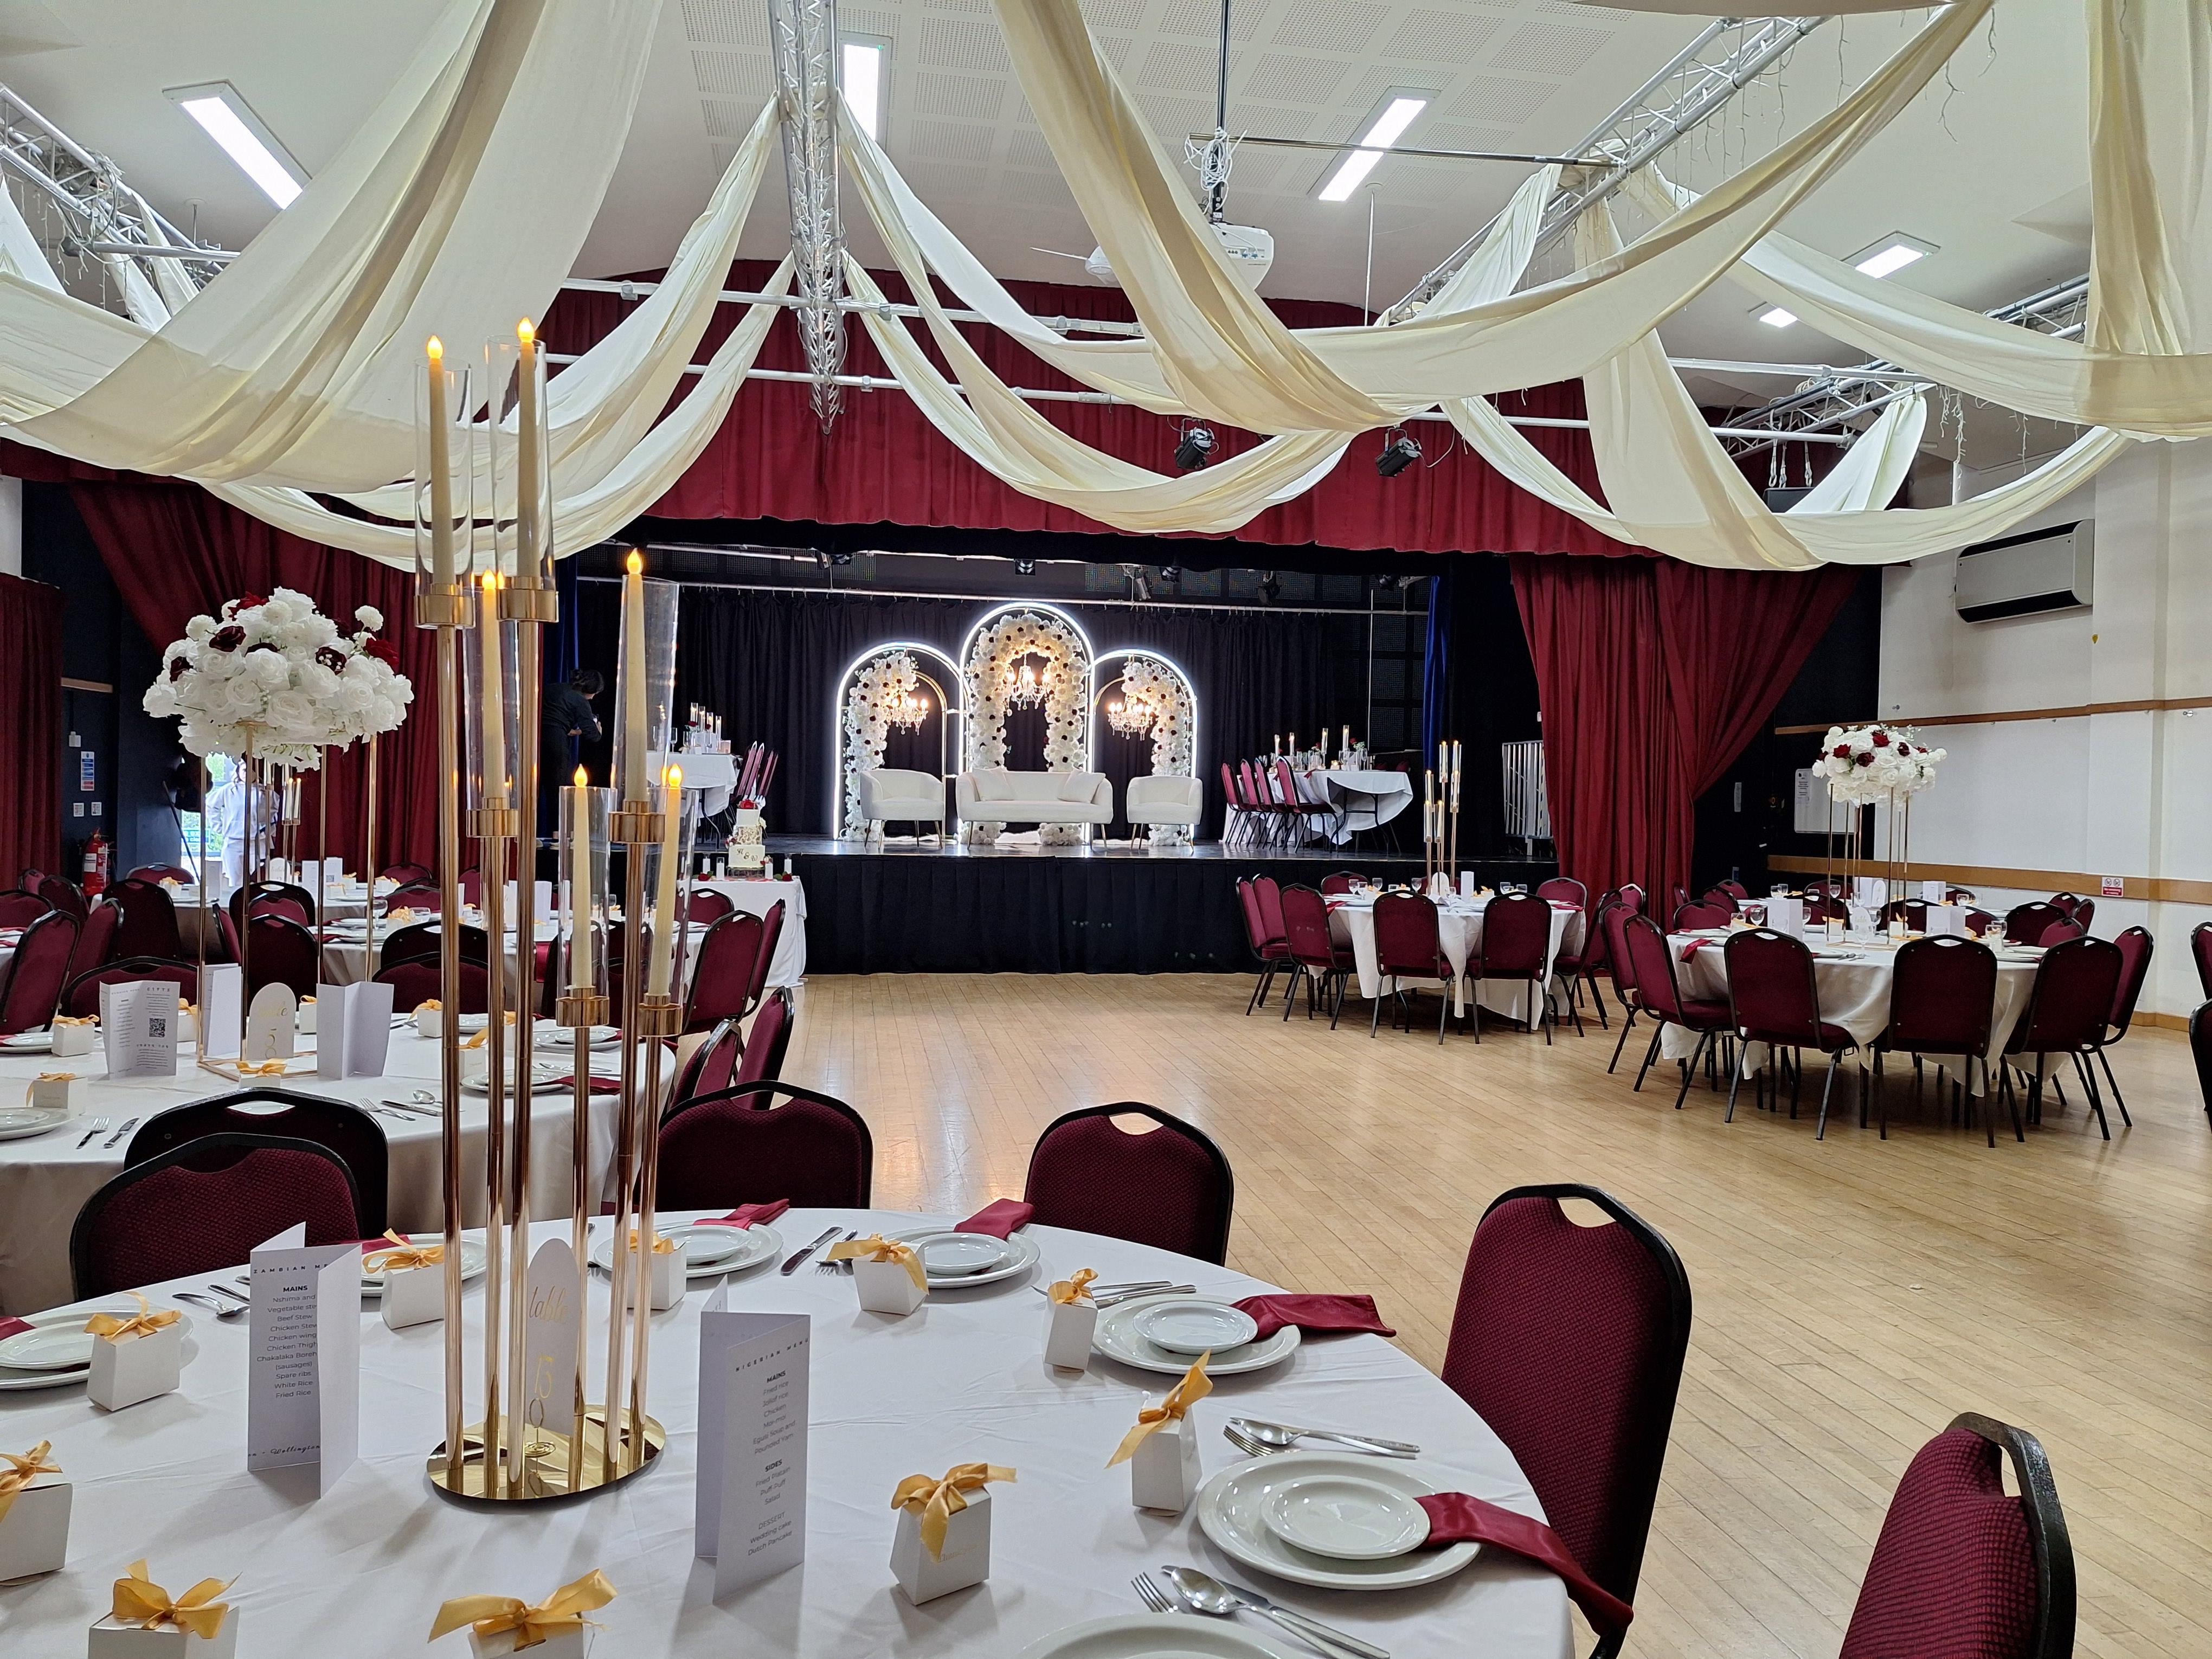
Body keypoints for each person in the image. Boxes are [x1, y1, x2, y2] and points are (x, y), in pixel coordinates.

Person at [541, 669, 604, 798]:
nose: (593, 697)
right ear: (592, 691)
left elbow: (551, 716)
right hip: (557, 744)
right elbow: (593, 736)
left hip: (537, 737)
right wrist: (598, 730)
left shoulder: (554, 688)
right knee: (557, 790)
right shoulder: (581, 701)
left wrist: (570, 730)